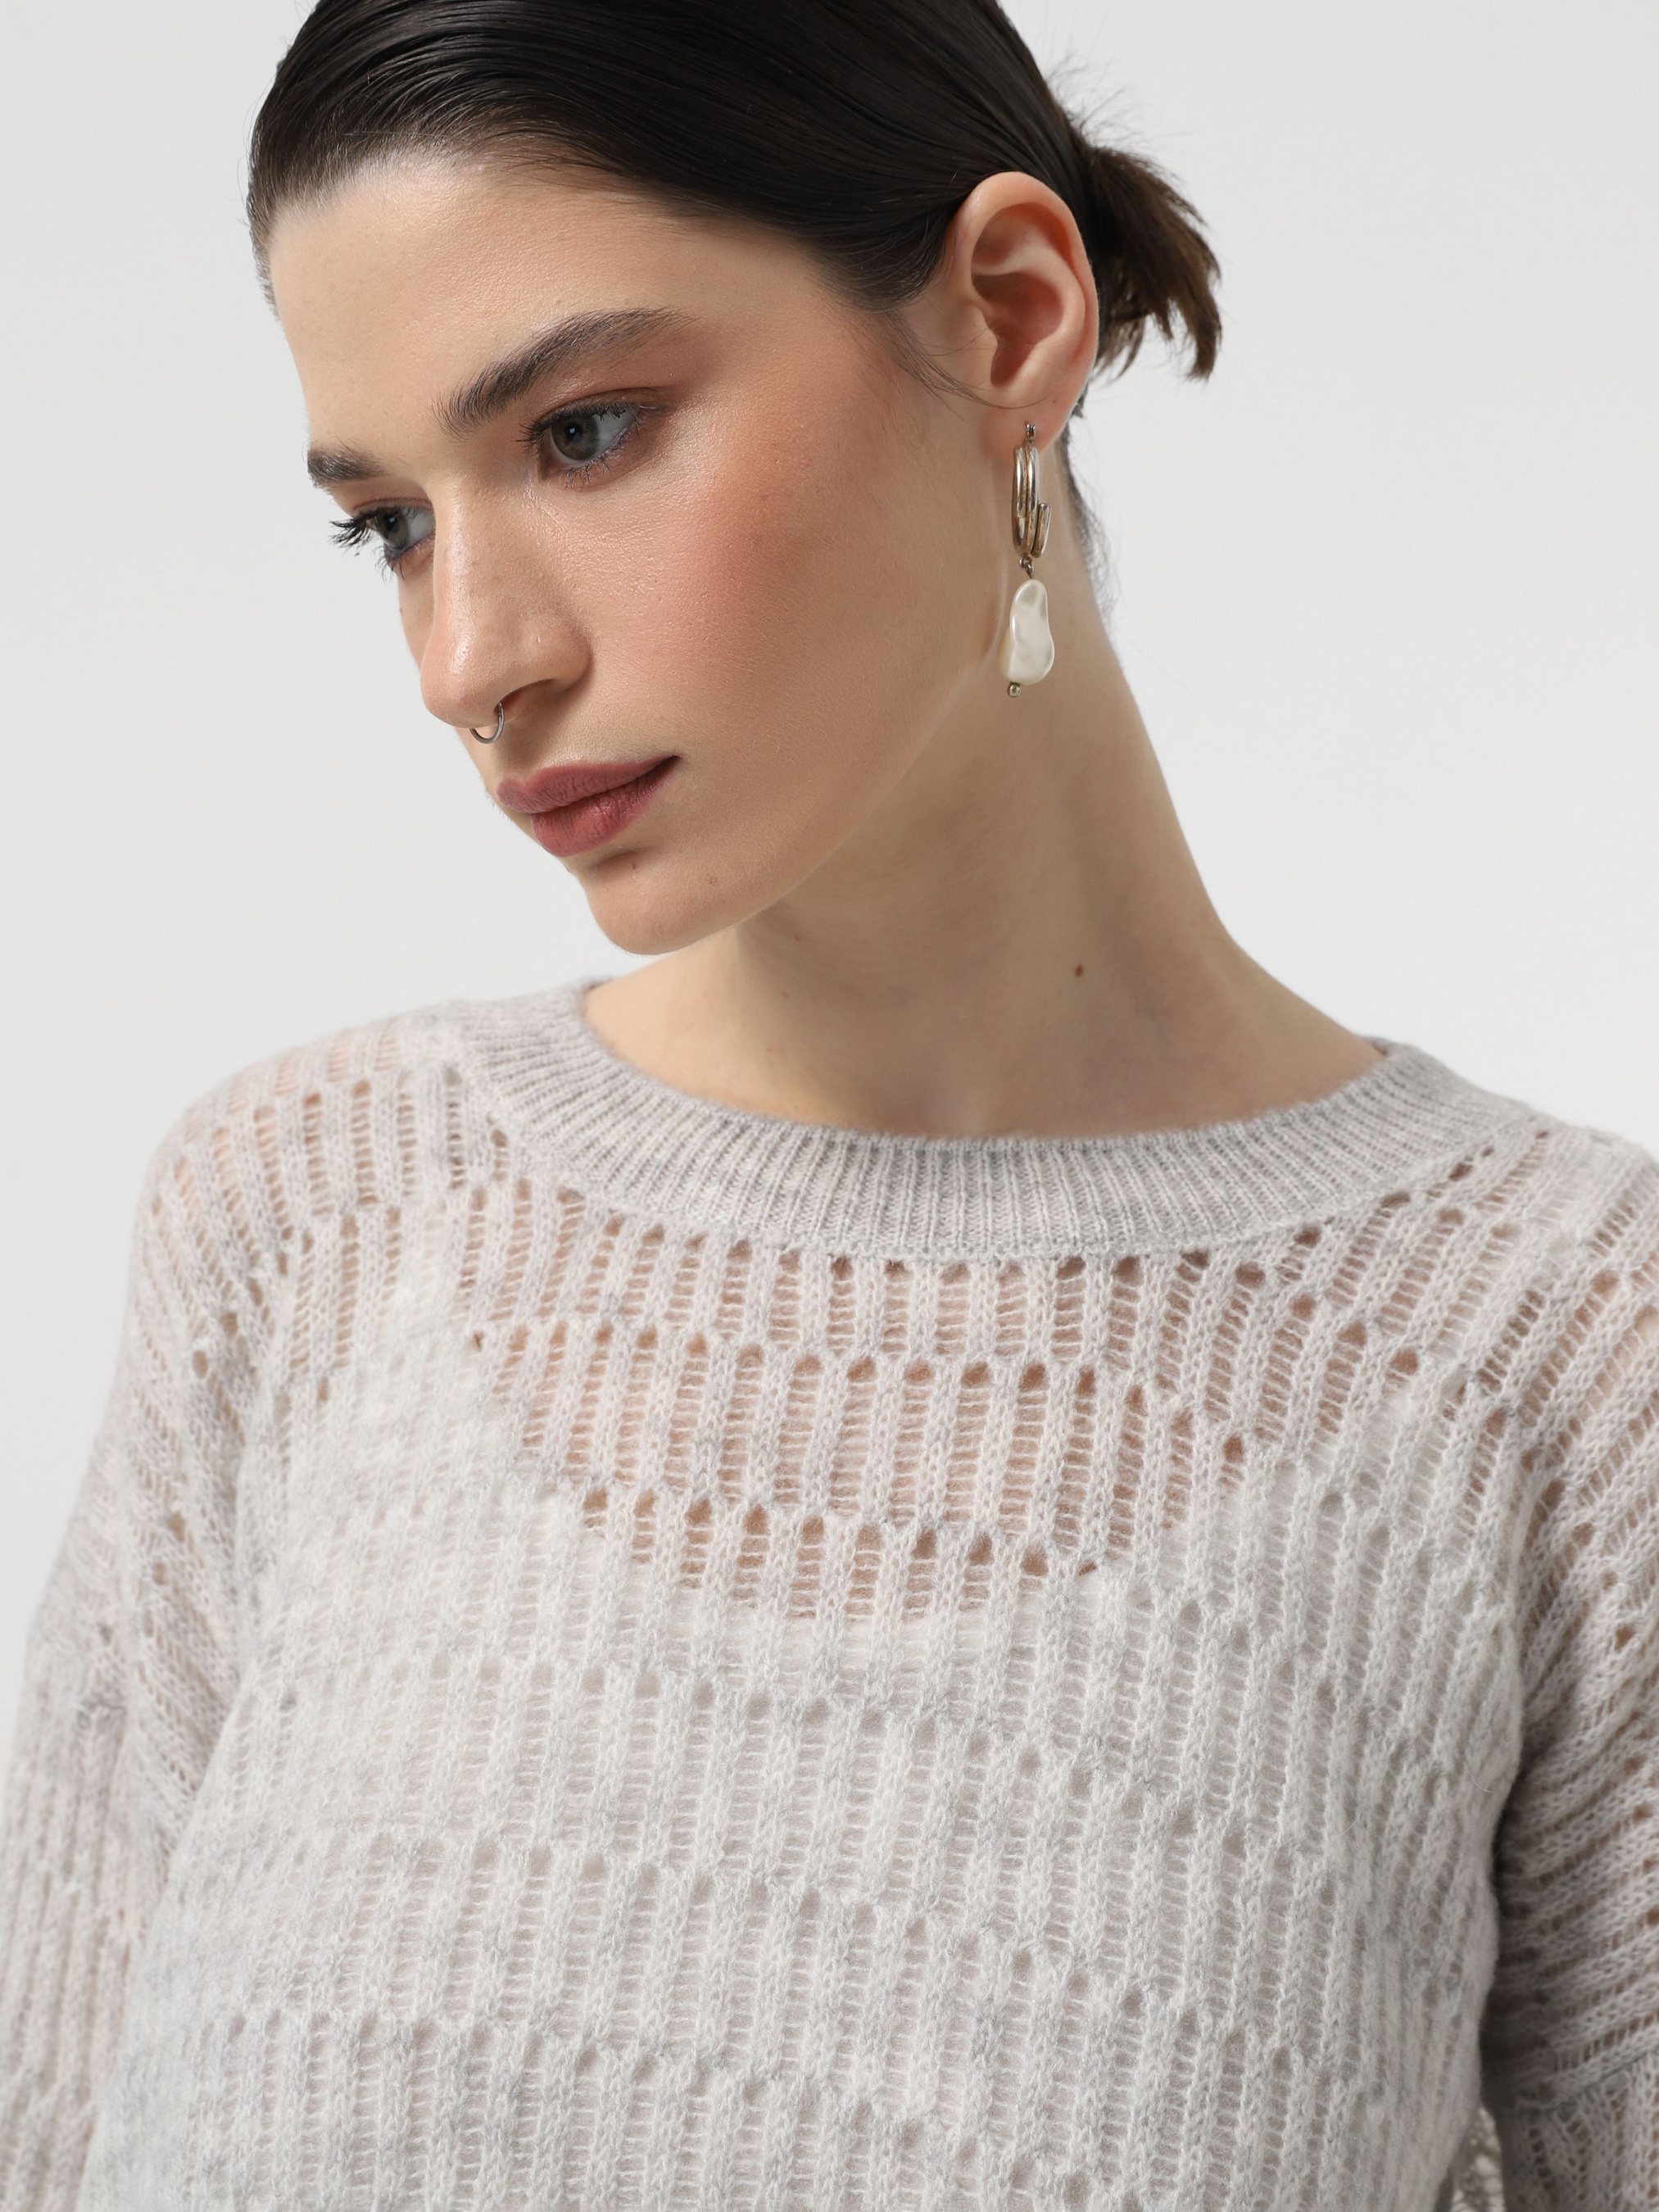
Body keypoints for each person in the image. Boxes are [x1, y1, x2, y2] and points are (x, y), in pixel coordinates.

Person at [1, 0, 1653, 2204]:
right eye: (385, 525)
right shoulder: (309, 1224)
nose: (469, 660)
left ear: (1008, 319)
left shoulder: (1562, 1359)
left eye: (584, 432)